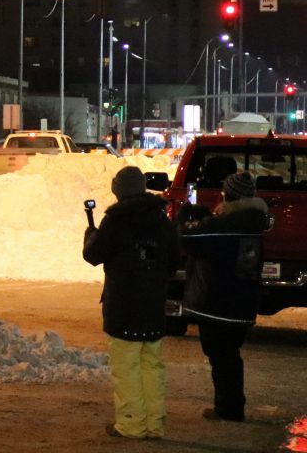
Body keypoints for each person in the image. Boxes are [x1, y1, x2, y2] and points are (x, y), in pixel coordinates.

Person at [83, 165, 181, 440]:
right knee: (152, 366)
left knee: (126, 369)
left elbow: (93, 254)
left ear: (118, 191)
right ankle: (154, 424)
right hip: (153, 305)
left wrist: (89, 234)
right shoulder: (162, 221)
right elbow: (174, 260)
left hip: (123, 305)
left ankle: (130, 424)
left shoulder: (115, 221)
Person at [177, 170, 269, 423]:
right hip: (241, 301)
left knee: (222, 356)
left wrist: (186, 217)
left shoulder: (228, 223)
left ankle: (229, 409)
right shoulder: (252, 221)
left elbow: (188, 237)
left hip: (219, 304)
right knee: (229, 355)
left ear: (229, 195)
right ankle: (231, 406)